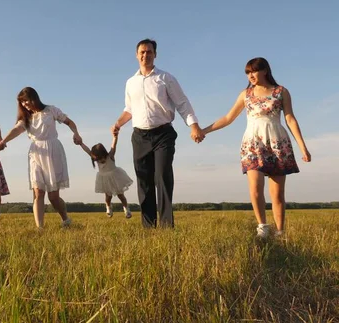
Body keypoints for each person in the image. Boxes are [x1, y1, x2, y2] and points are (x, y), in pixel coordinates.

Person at [202, 57, 311, 238]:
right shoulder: (246, 94)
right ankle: (262, 227)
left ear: (265, 71)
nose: (250, 75)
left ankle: (279, 232)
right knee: (255, 187)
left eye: (253, 71)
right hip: (252, 144)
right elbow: (228, 118)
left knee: (277, 193)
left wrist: (303, 147)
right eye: (248, 72)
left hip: (277, 143)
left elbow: (290, 119)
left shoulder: (281, 91)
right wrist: (204, 131)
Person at [112, 38, 204, 228]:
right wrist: (119, 123)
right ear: (137, 55)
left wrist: (193, 125)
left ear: (155, 55)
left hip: (163, 135)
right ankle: (148, 226)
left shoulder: (166, 78)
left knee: (162, 176)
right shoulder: (130, 82)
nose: (146, 55)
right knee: (143, 181)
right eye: (142, 52)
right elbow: (130, 108)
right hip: (139, 136)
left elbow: (182, 103)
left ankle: (166, 226)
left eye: (149, 52)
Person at [0, 87, 82, 229]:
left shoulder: (51, 110)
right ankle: (40, 228)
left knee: (53, 197)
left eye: (26, 100)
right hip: (36, 153)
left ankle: (65, 219)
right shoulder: (26, 117)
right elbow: (17, 130)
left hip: (53, 151)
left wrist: (76, 134)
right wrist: (3, 141)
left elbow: (69, 122)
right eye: (22, 102)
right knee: (38, 191)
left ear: (34, 98)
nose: (25, 104)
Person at [79, 129, 134, 218]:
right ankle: (108, 207)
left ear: (104, 154)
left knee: (121, 196)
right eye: (97, 159)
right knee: (108, 197)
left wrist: (115, 137)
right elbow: (88, 151)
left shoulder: (110, 156)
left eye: (100, 158)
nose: (100, 160)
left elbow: (113, 145)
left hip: (115, 178)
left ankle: (126, 209)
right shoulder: (96, 158)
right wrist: (81, 144)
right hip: (105, 180)